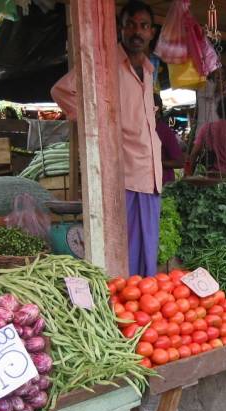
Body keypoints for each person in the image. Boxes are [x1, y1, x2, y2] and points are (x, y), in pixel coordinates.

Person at [51, 1, 162, 277]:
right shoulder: (105, 62)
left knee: (147, 256)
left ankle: (143, 312)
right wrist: (99, 127)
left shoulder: (149, 70)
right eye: (131, 25)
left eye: (143, 26)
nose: (137, 32)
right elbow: (63, 92)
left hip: (150, 178)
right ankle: (122, 311)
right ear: (120, 29)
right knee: (123, 256)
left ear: (151, 32)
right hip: (123, 175)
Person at [188, 97, 226, 187]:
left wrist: (188, 176)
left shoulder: (206, 128)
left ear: (217, 111)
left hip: (209, 180)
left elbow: (194, 154)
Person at [154, 95, 184, 185]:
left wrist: (156, 163)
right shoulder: (142, 128)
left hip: (163, 184)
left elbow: (180, 162)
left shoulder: (164, 130)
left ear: (157, 109)